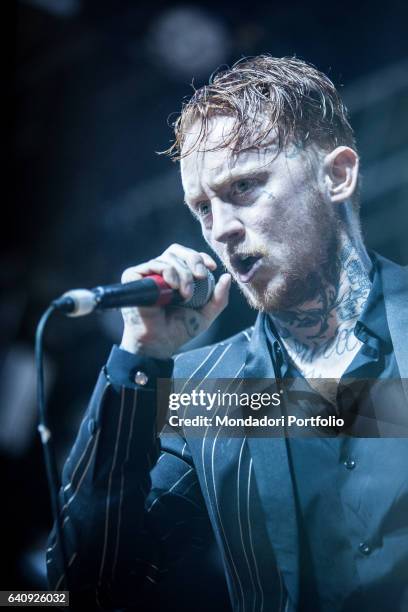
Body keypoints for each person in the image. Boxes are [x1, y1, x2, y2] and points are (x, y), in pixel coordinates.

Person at [47, 56, 408, 611]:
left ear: (336, 175)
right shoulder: (208, 395)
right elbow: (81, 590)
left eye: (244, 186)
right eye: (201, 207)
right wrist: (138, 359)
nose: (221, 228)